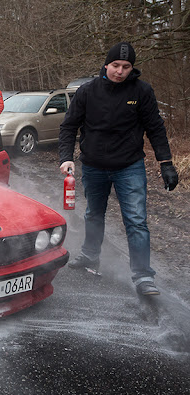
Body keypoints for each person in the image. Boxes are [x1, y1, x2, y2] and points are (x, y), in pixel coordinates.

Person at [58, 41, 179, 296]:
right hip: (93, 165)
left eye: (126, 66)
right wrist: (65, 157)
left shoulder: (142, 91)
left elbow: (155, 128)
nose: (120, 71)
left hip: (129, 166)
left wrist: (165, 162)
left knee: (136, 220)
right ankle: (90, 256)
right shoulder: (87, 91)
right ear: (106, 64)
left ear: (131, 68)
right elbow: (69, 126)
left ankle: (143, 276)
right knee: (93, 214)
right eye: (115, 65)